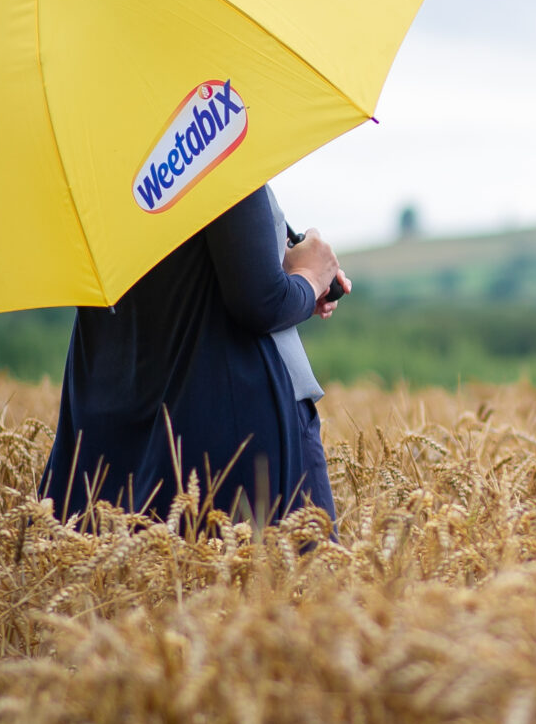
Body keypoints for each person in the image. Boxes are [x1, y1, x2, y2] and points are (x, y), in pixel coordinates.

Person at [40, 185, 350, 530]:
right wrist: (308, 278)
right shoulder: (214, 141)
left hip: (111, 421)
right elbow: (261, 302)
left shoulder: (91, 165)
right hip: (231, 425)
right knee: (289, 580)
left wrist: (291, 279)